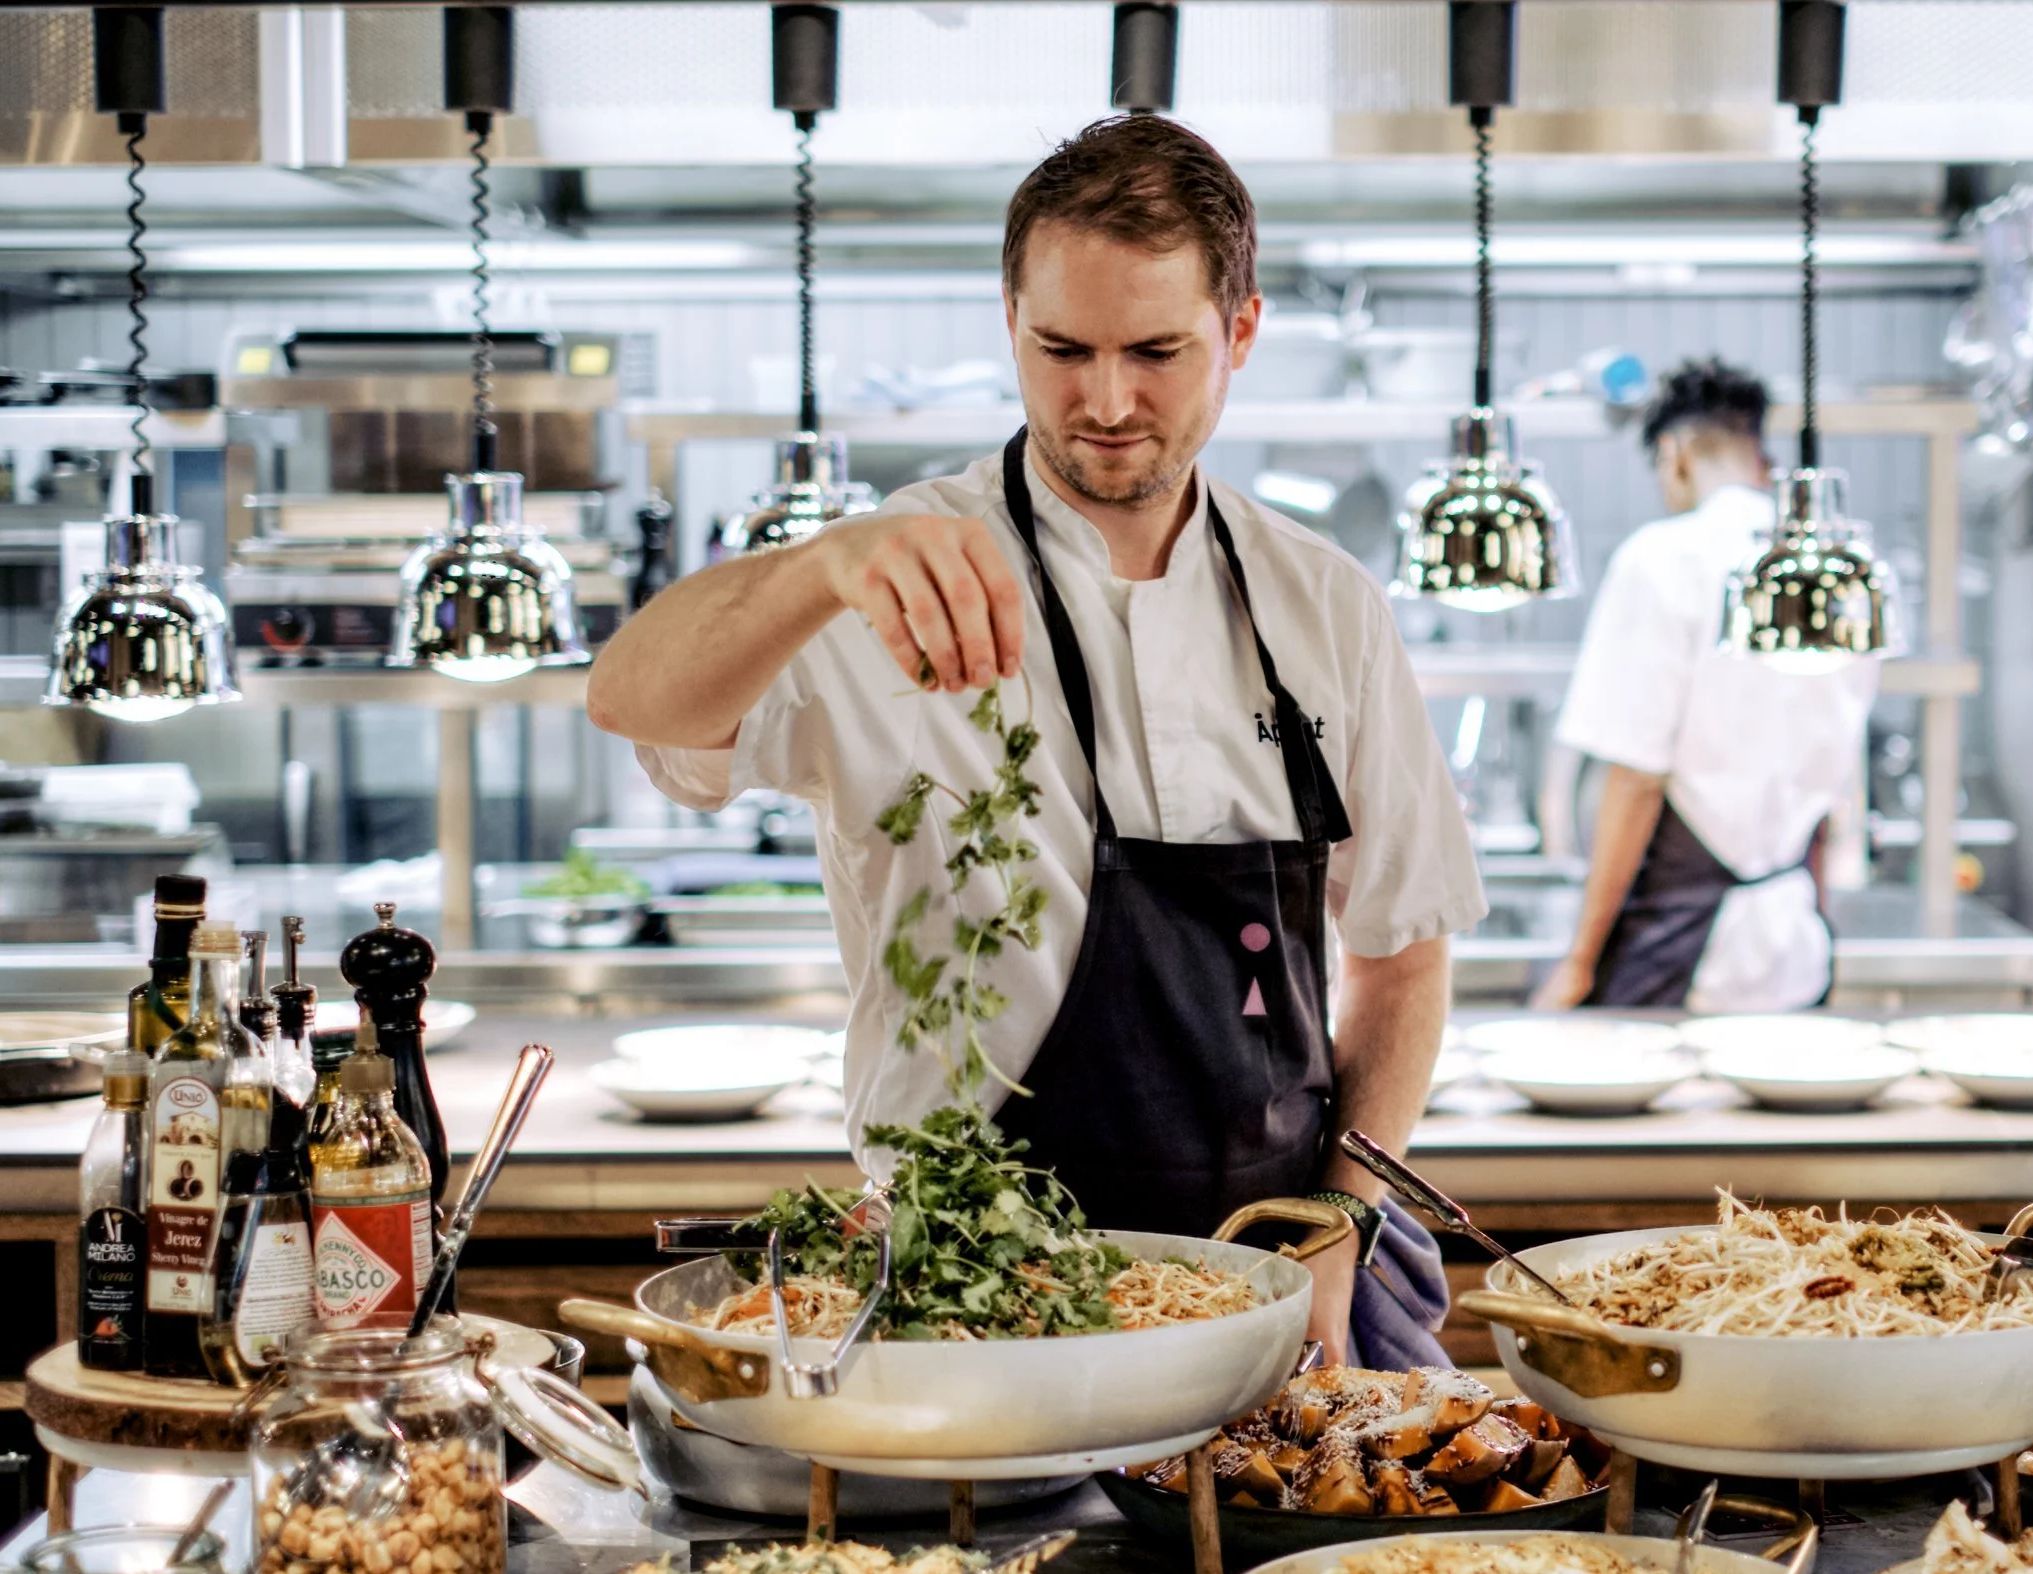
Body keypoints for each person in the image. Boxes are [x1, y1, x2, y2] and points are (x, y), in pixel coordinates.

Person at [588, 116, 1485, 1368]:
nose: (1105, 401)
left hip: (1293, 1271)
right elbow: (632, 697)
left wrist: (1339, 1217)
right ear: (1008, 322)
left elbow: (1401, 952)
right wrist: (818, 564)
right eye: (1061, 348)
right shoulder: (890, 575)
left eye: (1156, 351)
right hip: (979, 1285)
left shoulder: (1320, 599)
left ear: (1239, 333)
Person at [1534, 358, 1877, 1014]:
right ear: (1761, 458)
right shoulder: (1844, 572)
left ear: (1676, 454)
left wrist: (1578, 963)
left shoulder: (1663, 558)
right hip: (1796, 943)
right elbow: (1831, 793)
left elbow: (1634, 781)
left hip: (1684, 950)